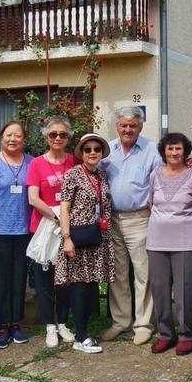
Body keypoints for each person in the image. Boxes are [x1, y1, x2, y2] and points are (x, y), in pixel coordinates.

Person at [101, 106, 162, 345]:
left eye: (133, 125)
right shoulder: (107, 150)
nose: (128, 129)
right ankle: (121, 321)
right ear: (117, 126)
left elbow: (161, 182)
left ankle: (144, 324)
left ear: (140, 127)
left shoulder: (151, 150)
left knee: (143, 274)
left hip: (140, 218)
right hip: (113, 219)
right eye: (123, 125)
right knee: (117, 274)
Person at [55, 133, 115, 353]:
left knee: (90, 286)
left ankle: (85, 330)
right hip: (78, 238)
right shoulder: (73, 174)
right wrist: (67, 238)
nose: (92, 153)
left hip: (98, 238)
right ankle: (80, 336)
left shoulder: (102, 174)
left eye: (96, 149)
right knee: (79, 286)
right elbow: (64, 208)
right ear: (81, 153)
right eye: (87, 149)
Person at [147, 132, 192, 356]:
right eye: (170, 148)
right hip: (157, 240)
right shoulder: (155, 174)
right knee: (160, 288)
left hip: (186, 240)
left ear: (185, 151)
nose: (174, 152)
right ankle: (165, 334)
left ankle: (185, 335)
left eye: (178, 148)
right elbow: (151, 204)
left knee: (185, 289)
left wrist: (183, 222)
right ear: (164, 151)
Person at [0, 121, 34, 349]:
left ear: (24, 139)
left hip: (24, 231)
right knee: (0, 280)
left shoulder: (32, 162)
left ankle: (16, 323)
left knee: (19, 279)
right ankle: (2, 326)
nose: (13, 139)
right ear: (2, 138)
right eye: (9, 135)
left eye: (17, 135)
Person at [26, 117, 76, 348]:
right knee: (44, 281)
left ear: (69, 137)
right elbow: (33, 198)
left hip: (68, 230)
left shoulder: (74, 162)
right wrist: (56, 217)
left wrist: (65, 222)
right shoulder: (37, 163)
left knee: (65, 280)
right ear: (46, 137)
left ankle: (63, 323)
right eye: (53, 134)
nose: (57, 138)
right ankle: (50, 326)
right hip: (44, 229)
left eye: (62, 134)